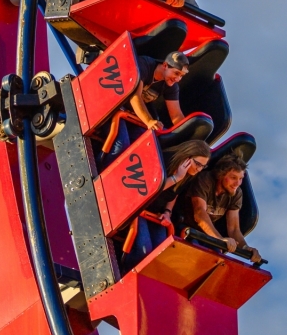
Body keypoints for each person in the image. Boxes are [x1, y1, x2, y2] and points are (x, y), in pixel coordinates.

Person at [122, 139, 211, 272]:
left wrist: (167, 212)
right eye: (197, 164)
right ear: (187, 157)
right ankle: (126, 272)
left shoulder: (189, 174)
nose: (198, 169)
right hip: (138, 208)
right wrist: (175, 178)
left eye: (203, 166)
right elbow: (148, 190)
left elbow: (174, 194)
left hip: (156, 214)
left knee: (161, 254)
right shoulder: (164, 159)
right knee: (144, 250)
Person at [99, 50, 191, 169]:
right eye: (176, 73)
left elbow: (176, 116)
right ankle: (99, 172)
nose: (177, 79)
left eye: (181, 76)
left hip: (130, 117)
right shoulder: (145, 65)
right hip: (112, 108)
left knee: (148, 146)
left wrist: (188, 139)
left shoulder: (171, 86)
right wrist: (148, 121)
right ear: (165, 66)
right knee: (121, 145)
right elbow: (134, 96)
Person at [176, 154, 264, 264]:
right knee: (195, 251)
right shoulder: (205, 180)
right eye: (233, 178)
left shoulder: (236, 194)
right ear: (221, 175)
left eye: (240, 178)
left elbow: (233, 229)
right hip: (184, 227)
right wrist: (219, 239)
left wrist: (245, 247)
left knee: (217, 259)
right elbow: (199, 213)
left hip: (207, 236)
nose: (237, 183)